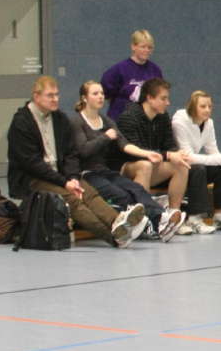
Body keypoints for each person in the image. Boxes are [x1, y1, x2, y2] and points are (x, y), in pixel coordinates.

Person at [7, 75, 144, 248]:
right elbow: (32, 164)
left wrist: (72, 177)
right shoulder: (21, 122)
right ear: (36, 96)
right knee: (72, 199)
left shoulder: (60, 119)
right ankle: (113, 237)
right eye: (50, 95)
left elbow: (71, 153)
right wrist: (64, 183)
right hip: (33, 178)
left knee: (88, 192)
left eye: (57, 95)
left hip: (60, 175)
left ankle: (118, 222)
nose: (55, 99)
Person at [68, 80, 164, 237]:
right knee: (120, 194)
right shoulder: (76, 121)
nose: (100, 96)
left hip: (104, 171)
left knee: (136, 189)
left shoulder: (106, 120)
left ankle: (161, 218)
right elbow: (83, 150)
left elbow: (124, 144)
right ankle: (143, 224)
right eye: (95, 93)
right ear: (84, 98)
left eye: (102, 93)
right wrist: (105, 137)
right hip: (86, 173)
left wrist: (146, 154)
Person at [114, 77, 194, 240]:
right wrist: (167, 155)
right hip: (125, 168)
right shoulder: (128, 117)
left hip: (153, 164)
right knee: (144, 165)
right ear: (149, 98)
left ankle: (173, 216)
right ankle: (145, 219)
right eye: (163, 98)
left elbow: (169, 145)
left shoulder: (162, 117)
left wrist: (177, 154)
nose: (168, 103)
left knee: (181, 165)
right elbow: (134, 152)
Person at [171, 90, 221, 233]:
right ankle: (194, 218)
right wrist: (220, 158)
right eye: (203, 106)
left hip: (191, 165)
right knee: (198, 169)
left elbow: (213, 151)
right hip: (178, 169)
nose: (207, 110)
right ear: (192, 107)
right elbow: (187, 157)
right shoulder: (179, 122)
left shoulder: (209, 123)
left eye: (210, 106)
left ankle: (219, 215)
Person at [100, 30, 164, 121]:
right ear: (133, 46)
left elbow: (159, 96)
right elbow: (105, 92)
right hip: (121, 120)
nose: (146, 50)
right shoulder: (118, 70)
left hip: (146, 120)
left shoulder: (155, 71)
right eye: (143, 47)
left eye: (149, 47)